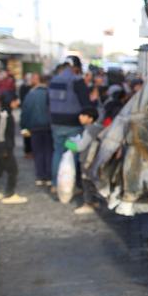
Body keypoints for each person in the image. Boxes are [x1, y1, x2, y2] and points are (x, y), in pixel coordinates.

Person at [48, 56, 92, 193]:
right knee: (72, 152)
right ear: (76, 67)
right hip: (73, 125)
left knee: (58, 152)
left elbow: (48, 102)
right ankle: (69, 185)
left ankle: (55, 184)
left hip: (56, 124)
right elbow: (86, 103)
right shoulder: (77, 81)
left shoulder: (54, 80)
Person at [0, 91, 27, 204]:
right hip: (3, 148)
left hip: (0, 147)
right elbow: (0, 133)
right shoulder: (4, 115)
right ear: (10, 102)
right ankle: (10, 194)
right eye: (15, 100)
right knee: (13, 171)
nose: (17, 103)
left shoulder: (3, 113)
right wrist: (4, 149)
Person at [64, 107, 102, 215]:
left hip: (87, 160)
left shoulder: (89, 130)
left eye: (83, 115)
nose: (80, 117)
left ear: (90, 118)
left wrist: (68, 144)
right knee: (92, 181)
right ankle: (94, 202)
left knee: (86, 182)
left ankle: (88, 204)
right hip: (95, 159)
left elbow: (80, 147)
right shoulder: (99, 127)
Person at [20, 74, 53, 186]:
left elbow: (25, 112)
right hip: (49, 127)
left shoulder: (31, 94)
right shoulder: (50, 93)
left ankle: (40, 176)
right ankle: (49, 176)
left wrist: (24, 126)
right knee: (49, 152)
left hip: (34, 127)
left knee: (38, 152)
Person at [18, 72, 37, 157]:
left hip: (29, 114)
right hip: (25, 113)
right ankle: (27, 150)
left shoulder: (33, 88)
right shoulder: (24, 87)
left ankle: (30, 150)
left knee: (30, 133)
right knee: (25, 133)